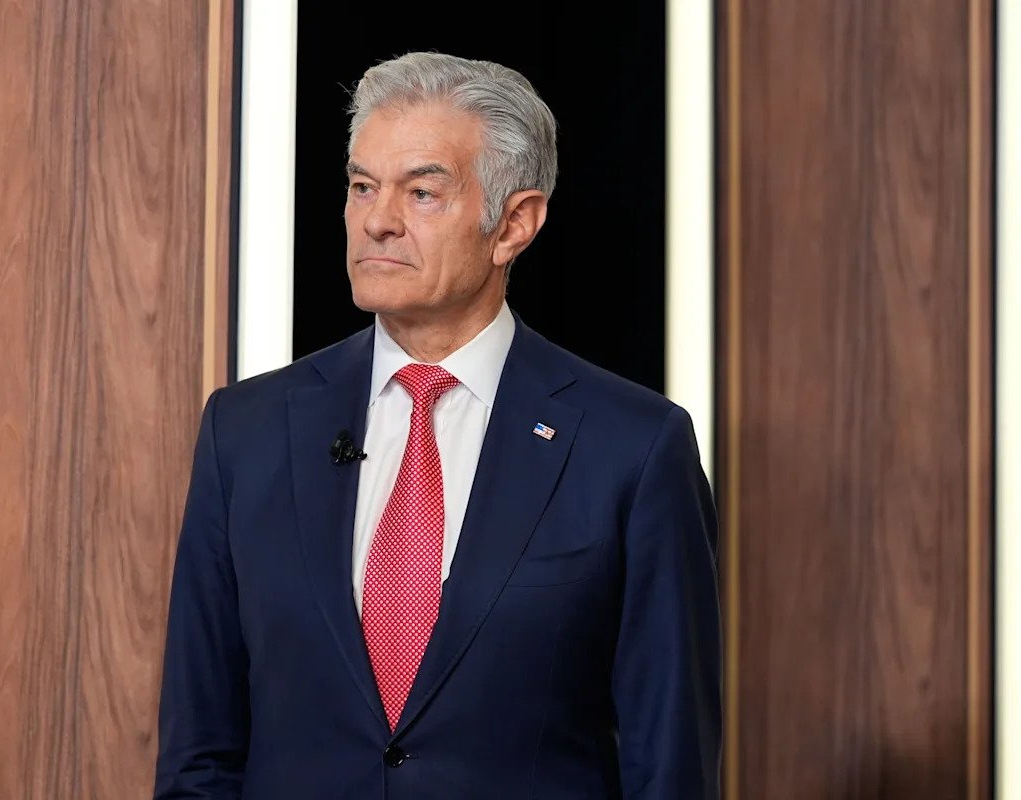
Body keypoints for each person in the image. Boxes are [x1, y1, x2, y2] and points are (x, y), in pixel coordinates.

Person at [154, 51, 721, 799]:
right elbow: (200, 751)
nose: (377, 220)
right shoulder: (245, 432)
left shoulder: (634, 448)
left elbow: (670, 763)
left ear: (513, 224)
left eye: (421, 192)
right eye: (362, 186)